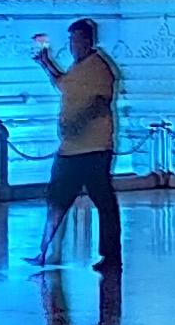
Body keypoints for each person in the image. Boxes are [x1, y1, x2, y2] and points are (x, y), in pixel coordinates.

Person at [33, 19, 122, 272]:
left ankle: (111, 256)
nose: (73, 46)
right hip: (71, 149)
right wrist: (46, 63)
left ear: (88, 40)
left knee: (103, 202)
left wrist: (77, 124)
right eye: (71, 41)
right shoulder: (78, 67)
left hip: (94, 148)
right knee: (57, 197)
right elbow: (64, 84)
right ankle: (44, 250)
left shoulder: (100, 68)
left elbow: (100, 103)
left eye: (76, 40)